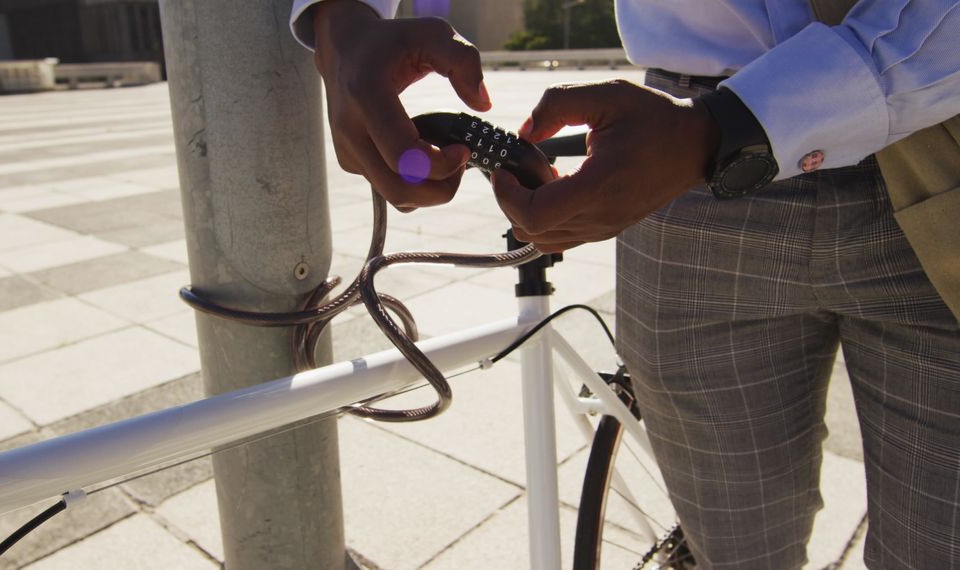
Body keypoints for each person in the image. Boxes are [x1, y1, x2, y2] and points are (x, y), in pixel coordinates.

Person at [289, 0, 960, 567]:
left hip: (935, 145)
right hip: (682, 161)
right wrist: (342, 16)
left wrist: (729, 129)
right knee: (734, 549)